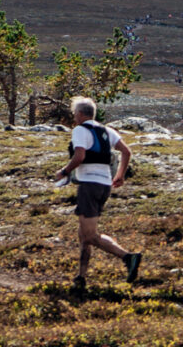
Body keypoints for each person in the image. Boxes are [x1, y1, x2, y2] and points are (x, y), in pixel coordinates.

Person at [55, 95, 142, 291]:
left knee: (90, 235)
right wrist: (119, 175)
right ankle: (81, 277)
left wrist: (64, 172)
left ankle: (128, 257)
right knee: (84, 233)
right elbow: (126, 152)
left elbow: (79, 156)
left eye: (74, 114)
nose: (74, 117)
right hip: (104, 186)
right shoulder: (107, 131)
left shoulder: (80, 130)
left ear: (79, 114)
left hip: (88, 185)